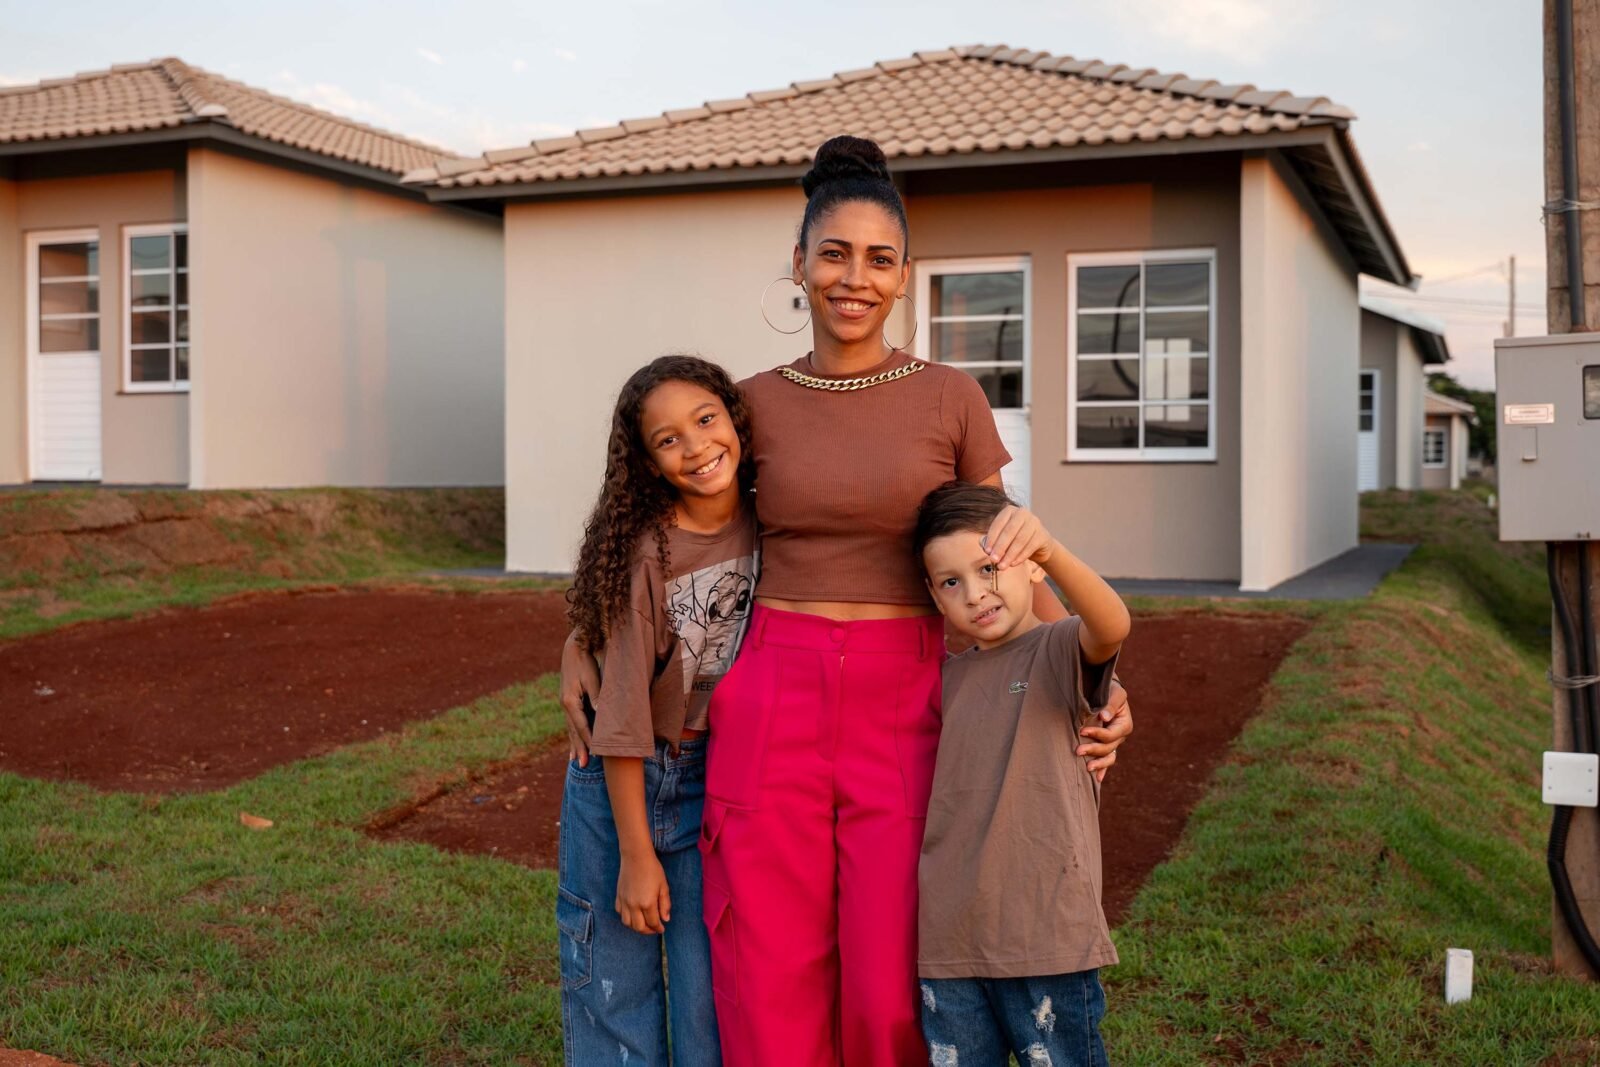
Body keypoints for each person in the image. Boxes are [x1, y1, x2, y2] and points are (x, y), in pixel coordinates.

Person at [561, 135, 1134, 1066]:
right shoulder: (749, 404)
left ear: (905, 274)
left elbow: (1003, 559)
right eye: (833, 254)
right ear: (799, 263)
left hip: (909, 702)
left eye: (878, 258)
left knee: (888, 976)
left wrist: (1094, 683)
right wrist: (580, 640)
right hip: (770, 694)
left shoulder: (952, 398)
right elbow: (661, 537)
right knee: (767, 967)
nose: (853, 278)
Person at [557, 355, 758, 1066]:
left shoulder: (773, 522)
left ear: (736, 419)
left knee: (707, 986)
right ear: (647, 462)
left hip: (715, 777)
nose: (697, 447)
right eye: (668, 439)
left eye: (706, 420)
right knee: (614, 978)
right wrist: (637, 854)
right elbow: (621, 724)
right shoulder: (647, 555)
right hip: (622, 778)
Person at [913, 481, 1129, 1066]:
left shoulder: (1058, 650)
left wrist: (1051, 550)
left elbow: (1111, 625)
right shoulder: (942, 680)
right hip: (949, 944)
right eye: (951, 582)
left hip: (1047, 939)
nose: (975, 593)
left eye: (989, 568)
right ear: (934, 595)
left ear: (1031, 567)